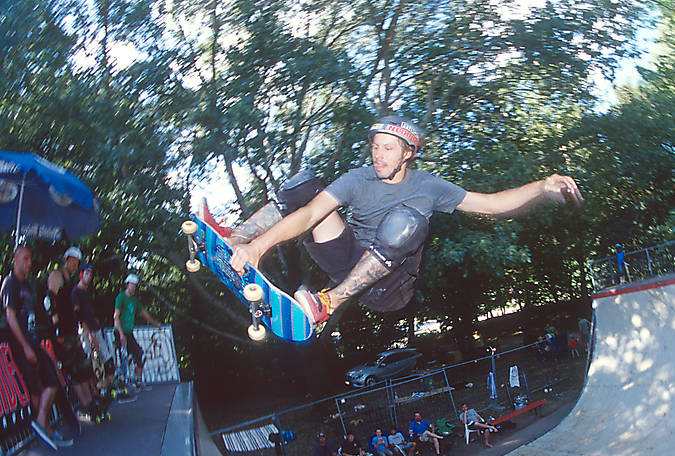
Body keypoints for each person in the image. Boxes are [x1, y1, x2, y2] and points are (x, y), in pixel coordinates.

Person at [227, 115, 583, 325]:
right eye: (375, 147)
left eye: (388, 148)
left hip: (387, 287)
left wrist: (541, 187)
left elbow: (490, 204)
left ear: (408, 153)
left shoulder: (429, 186)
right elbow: (309, 214)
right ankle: (236, 237)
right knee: (305, 185)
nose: (378, 156)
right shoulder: (357, 178)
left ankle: (328, 303)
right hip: (346, 259)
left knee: (407, 221)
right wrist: (258, 247)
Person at [1, 246, 71, 450]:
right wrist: (25, 347)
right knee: (36, 388)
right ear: (15, 259)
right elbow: (10, 316)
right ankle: (44, 428)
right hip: (21, 344)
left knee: (52, 381)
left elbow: (36, 314)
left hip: (34, 341)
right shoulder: (10, 283)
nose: (29, 263)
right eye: (25, 258)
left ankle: (42, 425)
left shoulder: (27, 285)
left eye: (30, 258)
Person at [44, 247, 98, 418]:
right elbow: (49, 301)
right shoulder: (57, 275)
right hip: (61, 331)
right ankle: (85, 404)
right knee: (72, 370)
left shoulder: (70, 280)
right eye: (72, 261)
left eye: (77, 262)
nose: (74, 265)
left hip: (72, 330)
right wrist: (56, 326)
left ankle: (91, 402)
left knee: (81, 367)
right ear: (66, 260)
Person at [113, 273, 162, 391]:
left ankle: (138, 381)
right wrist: (121, 334)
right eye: (132, 284)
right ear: (127, 284)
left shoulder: (134, 300)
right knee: (123, 358)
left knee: (139, 354)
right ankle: (123, 386)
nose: (133, 287)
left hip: (129, 332)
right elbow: (116, 317)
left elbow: (144, 313)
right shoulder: (121, 297)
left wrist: (155, 323)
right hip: (120, 332)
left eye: (135, 285)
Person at [73, 264, 115, 389]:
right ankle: (95, 391)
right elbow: (78, 315)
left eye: (90, 274)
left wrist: (96, 321)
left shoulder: (87, 292)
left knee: (107, 359)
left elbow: (89, 311)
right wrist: (89, 335)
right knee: (90, 362)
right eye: (86, 273)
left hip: (95, 329)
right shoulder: (76, 292)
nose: (89, 276)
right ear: (81, 274)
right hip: (86, 332)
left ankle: (110, 386)